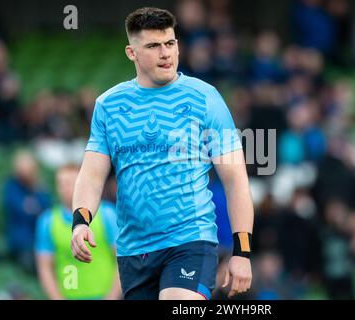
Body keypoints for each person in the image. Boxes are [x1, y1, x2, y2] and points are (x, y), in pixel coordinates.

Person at [71, 7, 254, 300]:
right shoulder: (108, 105)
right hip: (134, 250)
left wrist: (242, 251)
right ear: (131, 52)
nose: (165, 53)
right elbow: (91, 176)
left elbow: (236, 181)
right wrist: (80, 223)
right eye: (153, 46)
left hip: (190, 241)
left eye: (170, 43)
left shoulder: (206, 98)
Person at [35, 164, 121, 300]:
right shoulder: (48, 221)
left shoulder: (106, 214)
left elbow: (121, 259)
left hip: (103, 296)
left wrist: (112, 296)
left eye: (70, 183)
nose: (65, 188)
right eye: (61, 184)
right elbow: (44, 267)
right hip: (68, 296)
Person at [2, 150, 51, 274]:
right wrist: (34, 208)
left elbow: (46, 210)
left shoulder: (38, 186)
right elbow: (22, 210)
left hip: (40, 238)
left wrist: (34, 202)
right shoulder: (11, 186)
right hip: (22, 242)